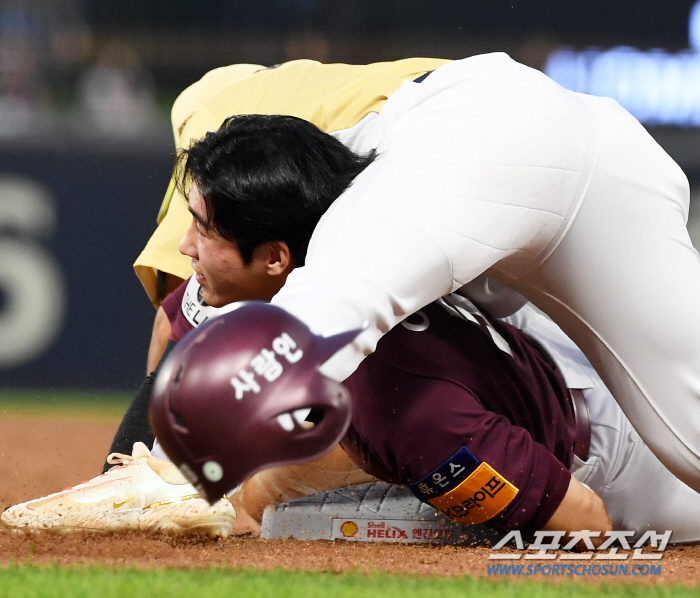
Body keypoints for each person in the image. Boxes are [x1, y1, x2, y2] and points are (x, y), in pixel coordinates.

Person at [6, 115, 700, 544]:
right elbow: (179, 326)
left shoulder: (411, 412)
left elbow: (584, 523)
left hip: (609, 458)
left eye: (204, 229)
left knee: (300, 509)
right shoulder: (290, 263)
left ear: (277, 259)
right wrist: (133, 464)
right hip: (520, 353)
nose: (184, 247)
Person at [132, 56, 700, 494]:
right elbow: (191, 310)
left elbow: (304, 331)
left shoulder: (339, 217)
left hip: (498, 162)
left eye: (200, 230)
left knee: (689, 446)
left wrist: (158, 472)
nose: (188, 243)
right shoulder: (260, 148)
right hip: (525, 119)